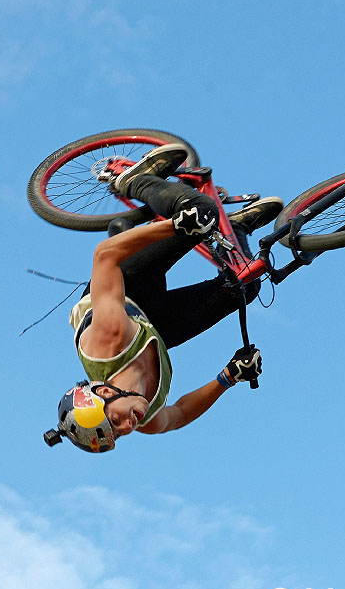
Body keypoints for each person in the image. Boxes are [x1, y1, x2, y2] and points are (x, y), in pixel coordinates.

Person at [47, 144, 283, 453]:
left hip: (124, 291)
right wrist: (229, 376)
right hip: (155, 328)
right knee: (245, 285)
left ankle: (130, 179)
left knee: (202, 213)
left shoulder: (107, 338)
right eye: (118, 435)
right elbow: (180, 414)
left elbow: (104, 256)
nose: (128, 427)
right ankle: (236, 227)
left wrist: (178, 226)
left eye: (114, 422)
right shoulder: (147, 416)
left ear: (105, 391)